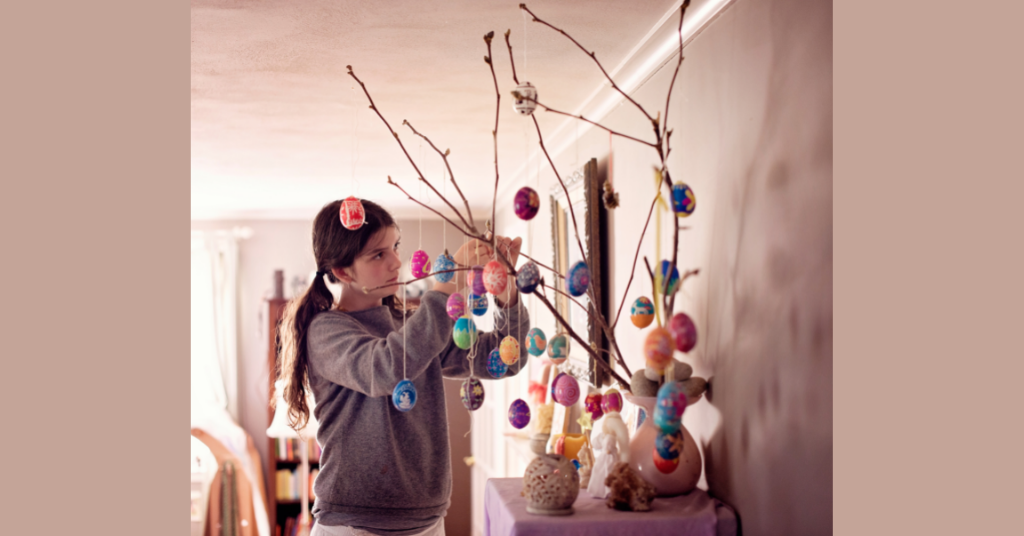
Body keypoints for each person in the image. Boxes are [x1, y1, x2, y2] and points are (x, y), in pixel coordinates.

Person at [277, 199, 529, 536]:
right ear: (342, 271)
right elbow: (386, 368)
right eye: (378, 255)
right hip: (353, 526)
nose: (397, 261)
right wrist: (445, 288)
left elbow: (502, 360)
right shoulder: (326, 331)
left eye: (394, 246)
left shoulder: (415, 326)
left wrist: (507, 290)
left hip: (426, 523)